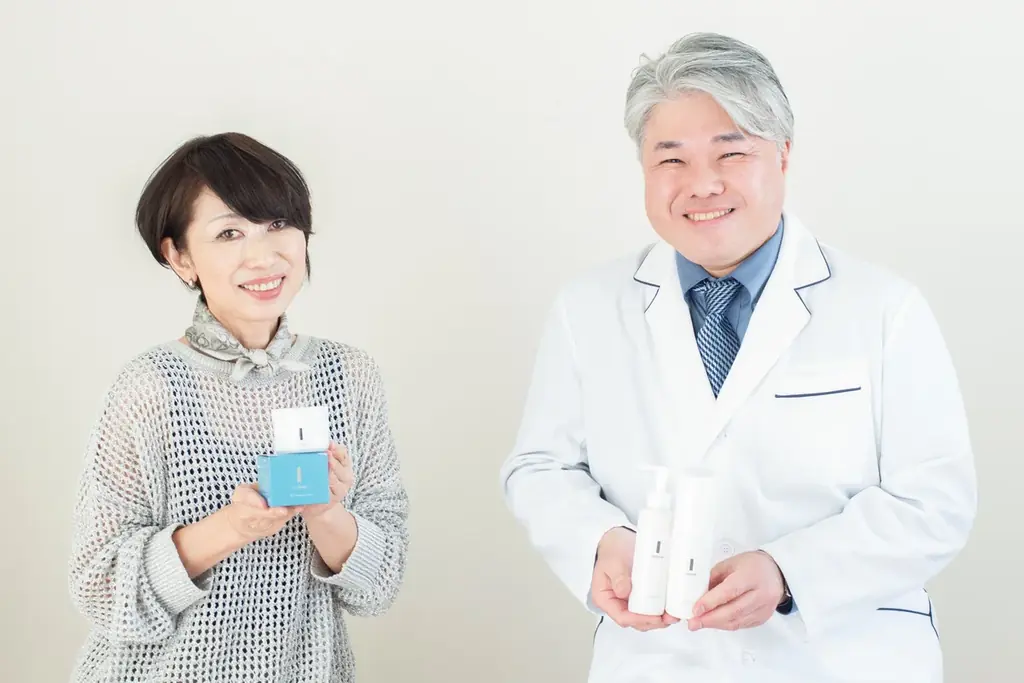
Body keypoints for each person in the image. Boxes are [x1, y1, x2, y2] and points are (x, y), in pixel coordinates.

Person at [499, 32, 976, 683]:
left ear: (783, 155)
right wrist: (602, 542)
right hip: (661, 657)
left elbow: (935, 499)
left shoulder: (884, 307)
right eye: (672, 159)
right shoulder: (586, 309)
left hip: (843, 655)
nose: (702, 184)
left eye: (732, 152)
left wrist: (789, 571)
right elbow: (539, 467)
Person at [67, 132, 409, 683]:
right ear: (179, 257)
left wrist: (325, 514)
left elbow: (378, 586)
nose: (263, 255)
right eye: (229, 233)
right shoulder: (150, 386)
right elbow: (100, 586)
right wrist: (233, 526)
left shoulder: (348, 376)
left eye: (279, 223)